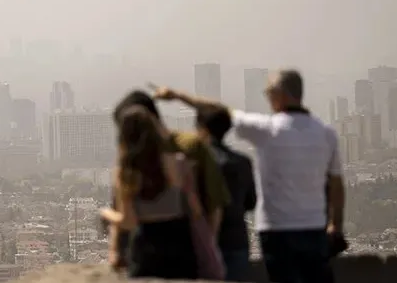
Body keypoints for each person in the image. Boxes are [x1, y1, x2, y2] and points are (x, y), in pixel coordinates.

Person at [151, 69, 345, 283]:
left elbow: (219, 110)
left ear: (279, 94)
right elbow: (336, 184)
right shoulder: (326, 133)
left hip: (277, 230)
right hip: (315, 229)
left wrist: (176, 95)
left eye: (268, 92)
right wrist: (335, 225)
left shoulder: (267, 129)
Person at [106, 90, 230, 267]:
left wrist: (206, 248)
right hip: (164, 252)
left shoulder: (188, 147)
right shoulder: (136, 159)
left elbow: (213, 204)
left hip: (172, 250)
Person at [105, 105, 199, 279]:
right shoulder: (178, 162)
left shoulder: (126, 172)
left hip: (146, 248)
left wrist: (107, 214)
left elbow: (128, 221)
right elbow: (195, 209)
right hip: (180, 244)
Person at [195, 106, 257, 281]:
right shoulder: (243, 162)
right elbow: (251, 203)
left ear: (202, 128)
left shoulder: (196, 162)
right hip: (237, 240)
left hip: (205, 242)